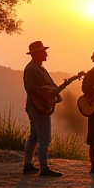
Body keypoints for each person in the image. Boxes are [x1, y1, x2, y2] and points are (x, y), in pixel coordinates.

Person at [23, 41, 62, 177]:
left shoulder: (41, 69)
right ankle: (44, 168)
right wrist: (45, 93)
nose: (46, 53)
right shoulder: (32, 68)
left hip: (35, 107)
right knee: (44, 138)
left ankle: (28, 164)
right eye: (44, 51)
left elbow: (52, 85)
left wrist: (56, 93)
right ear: (37, 54)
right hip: (38, 107)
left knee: (34, 136)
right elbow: (30, 87)